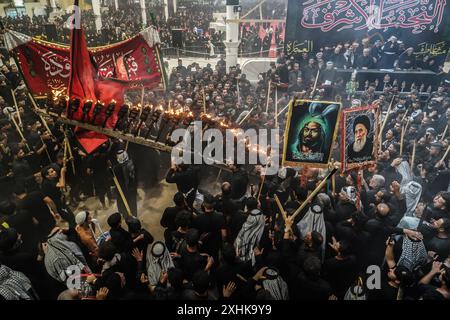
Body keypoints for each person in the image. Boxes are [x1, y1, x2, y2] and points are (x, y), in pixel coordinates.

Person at [112, 150, 137, 217]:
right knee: (131, 205)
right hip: (128, 190)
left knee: (125, 205)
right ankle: (132, 216)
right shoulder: (131, 163)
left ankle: (127, 215)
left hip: (124, 191)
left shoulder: (115, 168)